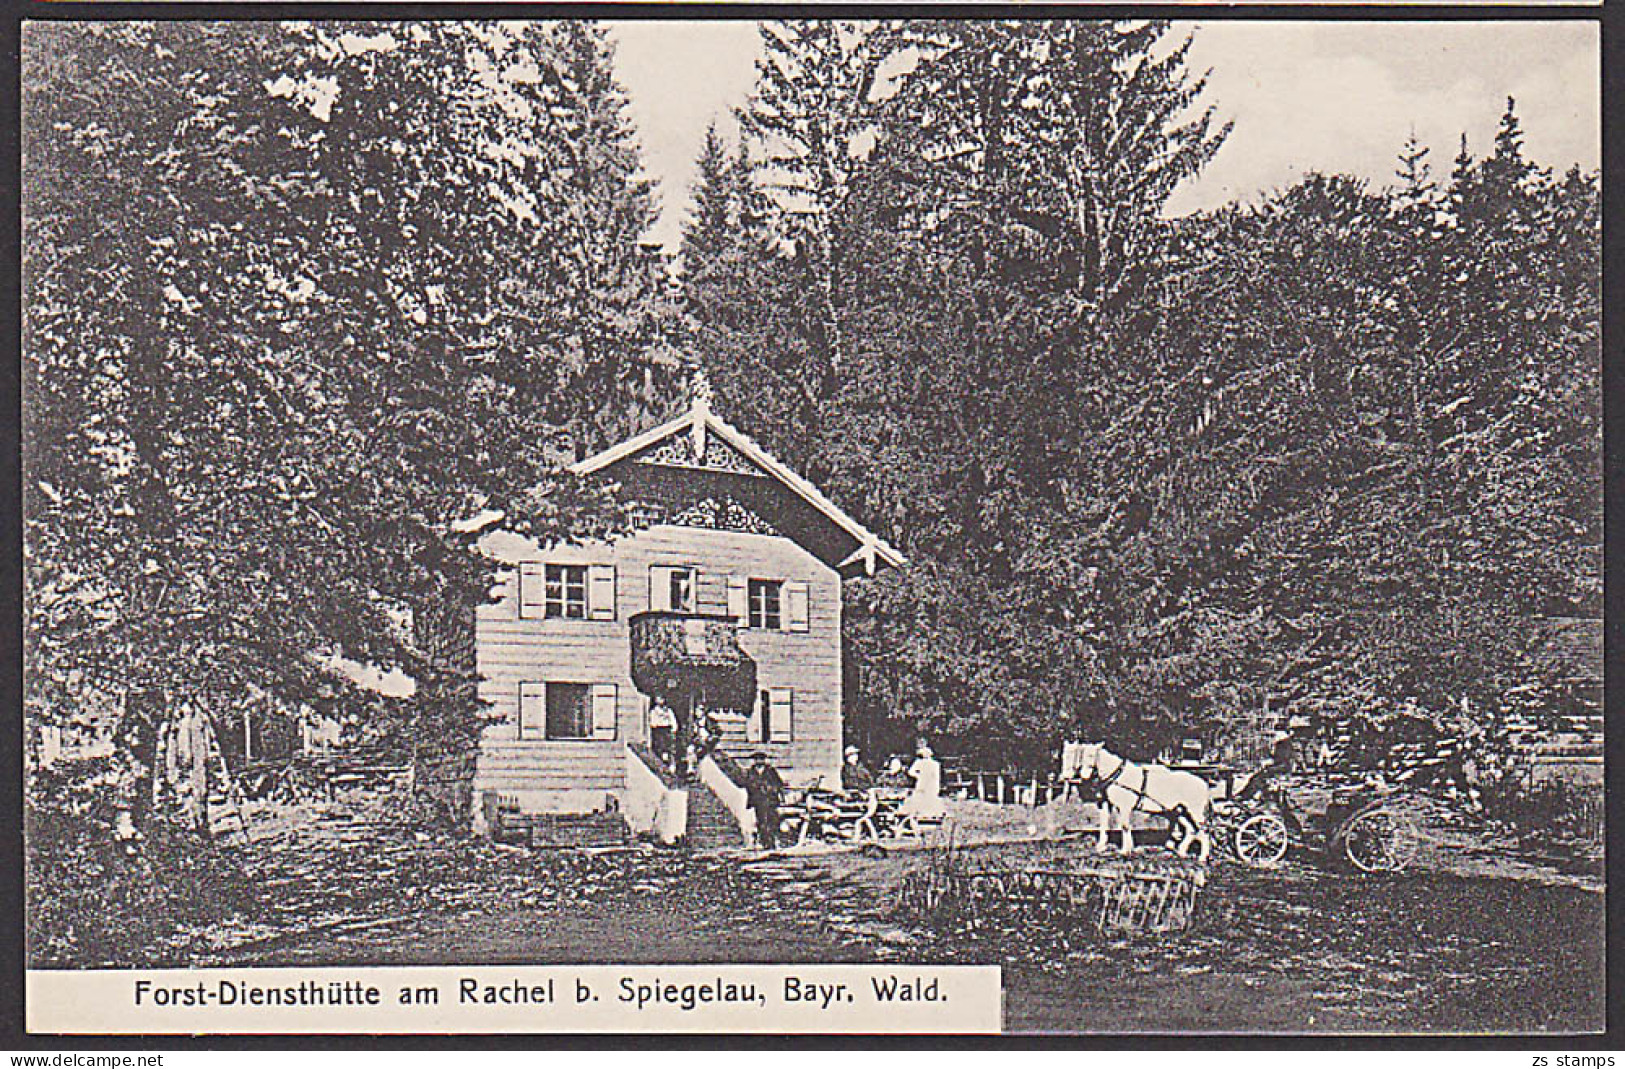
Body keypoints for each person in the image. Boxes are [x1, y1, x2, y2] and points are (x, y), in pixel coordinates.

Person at [745, 751, 785, 849]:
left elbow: (779, 784)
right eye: (757, 759)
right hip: (758, 801)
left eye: (761, 759)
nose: (759, 761)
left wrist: (773, 790)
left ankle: (772, 842)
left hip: (770, 800)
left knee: (771, 821)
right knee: (761, 821)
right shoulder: (751, 772)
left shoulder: (770, 771)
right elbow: (747, 784)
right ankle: (764, 842)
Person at [898, 739, 945, 820]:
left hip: (928, 782)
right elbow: (911, 772)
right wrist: (918, 776)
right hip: (927, 782)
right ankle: (925, 814)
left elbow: (911, 772)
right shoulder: (922, 763)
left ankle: (929, 814)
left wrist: (917, 776)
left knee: (928, 797)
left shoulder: (932, 764)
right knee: (924, 797)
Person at [648, 698, 676, 769]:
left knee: (669, 747)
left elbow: (673, 721)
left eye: (662, 698)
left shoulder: (668, 710)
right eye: (659, 698)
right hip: (658, 730)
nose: (661, 700)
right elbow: (652, 723)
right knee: (660, 746)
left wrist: (673, 728)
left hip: (667, 729)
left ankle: (670, 764)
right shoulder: (654, 711)